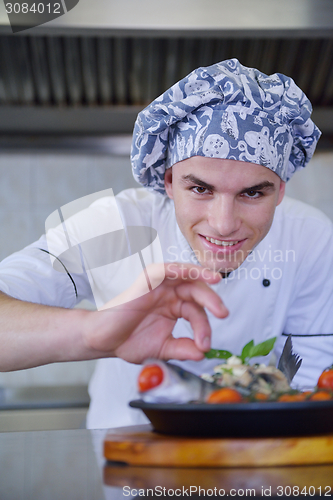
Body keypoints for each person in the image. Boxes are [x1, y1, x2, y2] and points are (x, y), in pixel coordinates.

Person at [0, 59, 332, 429]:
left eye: (253, 193)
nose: (223, 225)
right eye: (200, 189)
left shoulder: (310, 238)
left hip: (256, 464)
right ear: (170, 181)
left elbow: (314, 394)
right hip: (130, 468)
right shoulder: (114, 222)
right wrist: (96, 335)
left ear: (281, 190)